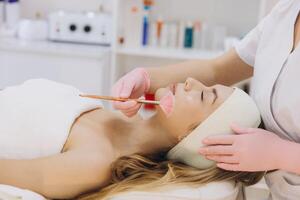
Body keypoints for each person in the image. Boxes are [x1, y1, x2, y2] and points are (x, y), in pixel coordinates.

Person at [112, 1, 300, 199]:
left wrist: (282, 153)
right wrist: (147, 78)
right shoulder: (287, 11)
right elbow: (217, 70)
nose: (190, 82)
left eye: (205, 96)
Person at [0, 78, 263, 200]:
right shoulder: (120, 115)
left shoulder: (95, 164)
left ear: (193, 136)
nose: (191, 82)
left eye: (205, 96)